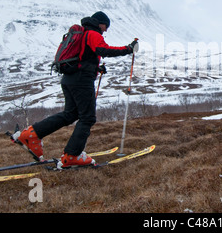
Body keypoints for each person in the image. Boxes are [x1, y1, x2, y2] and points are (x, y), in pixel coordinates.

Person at [12, 11, 138, 169]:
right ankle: (72, 155)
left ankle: (31, 135)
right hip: (81, 81)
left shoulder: (82, 33)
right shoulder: (93, 33)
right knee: (87, 118)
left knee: (70, 114)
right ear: (100, 23)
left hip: (69, 79)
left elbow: (83, 57)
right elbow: (103, 50)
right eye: (106, 26)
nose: (105, 30)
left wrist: (95, 67)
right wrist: (128, 49)